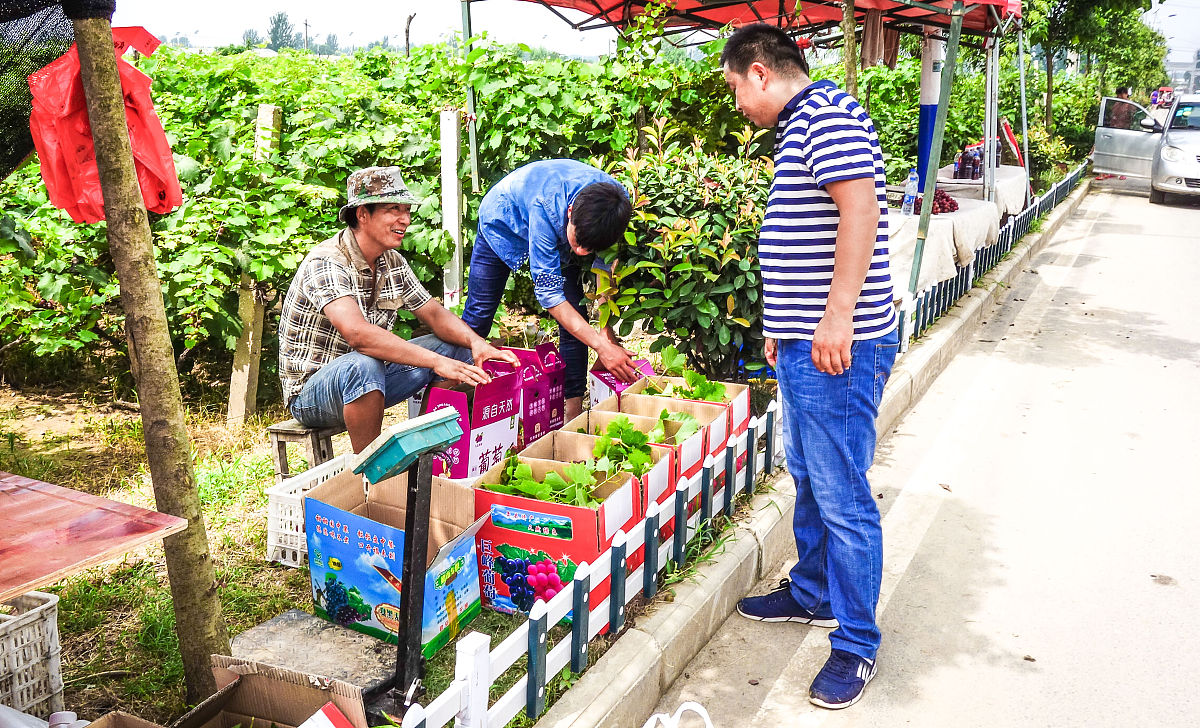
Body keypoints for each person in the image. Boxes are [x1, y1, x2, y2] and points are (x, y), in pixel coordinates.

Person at [720, 25, 898, 710]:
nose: (737, 103)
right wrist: (782, 327)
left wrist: (836, 317)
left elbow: (860, 213)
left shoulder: (825, 116)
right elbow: (808, 231)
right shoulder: (805, 123)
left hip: (837, 349)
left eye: (736, 88)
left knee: (843, 492)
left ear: (759, 72)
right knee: (810, 474)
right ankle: (814, 591)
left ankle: (855, 643)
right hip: (806, 344)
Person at [279, 166, 519, 452]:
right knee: (363, 363)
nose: (404, 220)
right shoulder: (327, 261)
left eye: (406, 210)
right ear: (362, 214)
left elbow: (434, 313)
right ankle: (374, 470)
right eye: (394, 209)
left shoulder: (392, 261)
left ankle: (427, 448)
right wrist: (433, 362)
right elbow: (358, 336)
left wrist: (476, 343)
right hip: (312, 394)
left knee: (455, 347)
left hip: (373, 378)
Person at [461, 159, 638, 421]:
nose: (580, 252)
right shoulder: (544, 206)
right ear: (569, 212)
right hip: (502, 221)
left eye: (588, 248)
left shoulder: (615, 208)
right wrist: (601, 346)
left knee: (575, 320)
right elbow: (551, 296)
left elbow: (604, 268)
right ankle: (453, 402)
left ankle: (572, 416)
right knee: (478, 317)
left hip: (558, 223)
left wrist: (605, 333)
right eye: (578, 242)